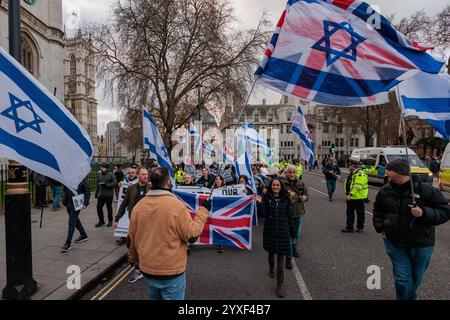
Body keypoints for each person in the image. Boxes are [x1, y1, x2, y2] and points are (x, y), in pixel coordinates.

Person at [373, 158, 450, 300]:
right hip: (394, 242)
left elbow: (445, 211)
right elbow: (378, 209)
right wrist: (380, 227)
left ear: (400, 172)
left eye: (390, 170)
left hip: (421, 244)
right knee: (402, 278)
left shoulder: (426, 190)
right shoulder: (385, 191)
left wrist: (424, 213)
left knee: (414, 277)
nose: (387, 173)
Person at [127, 167, 209, 300]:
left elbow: (130, 239)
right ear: (168, 183)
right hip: (171, 271)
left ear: (150, 182)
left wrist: (133, 259)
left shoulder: (138, 207)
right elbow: (192, 236)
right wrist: (203, 211)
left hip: (147, 269)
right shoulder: (177, 206)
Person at [258, 178, 295, 298]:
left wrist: (293, 234)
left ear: (281, 187)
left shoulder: (286, 199)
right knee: (271, 253)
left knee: (281, 260)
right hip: (270, 231)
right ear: (271, 186)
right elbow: (263, 213)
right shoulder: (267, 198)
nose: (275, 187)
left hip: (283, 231)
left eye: (277, 185)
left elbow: (290, 216)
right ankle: (271, 268)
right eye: (273, 185)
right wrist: (260, 201)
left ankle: (280, 286)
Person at [114, 168, 151, 282]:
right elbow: (123, 205)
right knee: (133, 246)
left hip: (148, 223)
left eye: (146, 174)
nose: (145, 176)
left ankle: (147, 267)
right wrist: (116, 219)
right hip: (134, 222)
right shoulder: (131, 189)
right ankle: (137, 269)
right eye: (143, 174)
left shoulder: (152, 189)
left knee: (147, 246)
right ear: (138, 176)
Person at [281, 165, 308, 265]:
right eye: (290, 172)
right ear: (286, 172)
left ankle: (294, 249)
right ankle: (289, 257)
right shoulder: (282, 183)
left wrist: (305, 197)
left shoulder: (300, 183)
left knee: (295, 235)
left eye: (294, 172)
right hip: (286, 213)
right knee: (288, 235)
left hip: (298, 212)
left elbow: (306, 195)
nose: (292, 174)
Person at [61, 177, 90, 253]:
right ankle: (83, 235)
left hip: (77, 203)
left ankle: (68, 243)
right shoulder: (68, 177)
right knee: (75, 220)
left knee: (71, 223)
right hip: (68, 203)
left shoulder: (82, 179)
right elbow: (65, 189)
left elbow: (87, 191)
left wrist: (85, 203)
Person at [114, 165, 139, 246]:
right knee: (122, 220)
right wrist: (120, 185)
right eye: (129, 172)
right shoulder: (125, 179)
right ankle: (123, 237)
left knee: (131, 222)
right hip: (124, 204)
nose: (130, 174)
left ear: (136, 173)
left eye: (132, 173)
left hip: (132, 205)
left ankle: (130, 238)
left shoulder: (138, 181)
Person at [342, 159, 369, 233]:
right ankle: (349, 227)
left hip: (358, 197)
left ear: (353, 166)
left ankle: (360, 227)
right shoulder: (352, 173)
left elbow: (358, 186)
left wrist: (351, 194)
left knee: (360, 213)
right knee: (349, 213)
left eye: (349, 165)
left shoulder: (360, 174)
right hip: (350, 197)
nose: (348, 166)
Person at [95, 163, 117, 227]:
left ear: (107, 168)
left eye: (103, 167)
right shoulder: (99, 174)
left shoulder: (111, 174)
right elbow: (98, 184)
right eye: (101, 167)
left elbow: (115, 183)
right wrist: (96, 193)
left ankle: (110, 221)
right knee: (99, 208)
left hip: (109, 195)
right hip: (101, 195)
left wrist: (107, 185)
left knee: (109, 208)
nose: (101, 168)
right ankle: (101, 221)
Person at [211, 175, 226, 254]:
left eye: (219, 179)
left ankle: (221, 243)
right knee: (217, 227)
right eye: (216, 179)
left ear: (222, 181)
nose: (218, 180)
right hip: (215, 210)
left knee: (222, 227)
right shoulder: (212, 189)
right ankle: (219, 244)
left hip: (224, 211)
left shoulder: (227, 189)